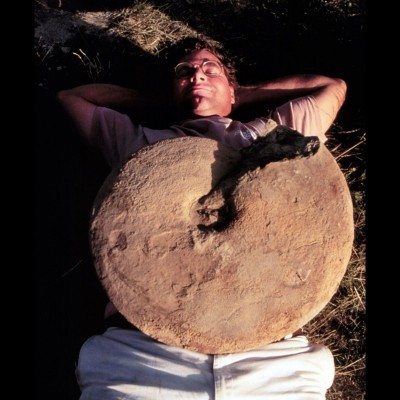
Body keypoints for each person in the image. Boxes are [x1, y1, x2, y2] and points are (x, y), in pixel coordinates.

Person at [57, 39, 347, 400]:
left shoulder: (272, 135)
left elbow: (332, 88)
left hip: (268, 352)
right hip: (145, 353)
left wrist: (244, 93)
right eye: (184, 72)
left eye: (211, 69)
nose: (196, 75)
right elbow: (73, 98)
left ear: (232, 90)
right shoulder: (142, 143)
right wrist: (164, 101)